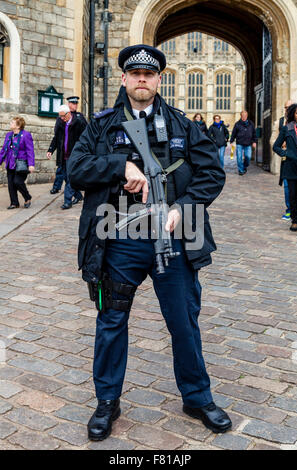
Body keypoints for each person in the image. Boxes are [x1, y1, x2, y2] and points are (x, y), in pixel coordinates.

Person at [68, 44, 231, 441]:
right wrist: (118, 165)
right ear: (124, 78)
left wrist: (185, 207)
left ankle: (196, 396)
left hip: (174, 236)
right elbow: (75, 168)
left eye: (150, 74)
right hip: (119, 236)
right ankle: (107, 401)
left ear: (159, 79)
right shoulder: (103, 125)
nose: (142, 80)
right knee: (111, 321)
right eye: (135, 74)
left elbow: (211, 172)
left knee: (183, 322)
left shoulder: (181, 123)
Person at [47, 104, 86, 209]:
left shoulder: (79, 122)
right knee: (65, 176)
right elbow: (56, 138)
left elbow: (85, 138)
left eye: (63, 116)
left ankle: (67, 201)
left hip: (74, 155)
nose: (62, 118)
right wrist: (50, 150)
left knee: (70, 178)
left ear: (69, 113)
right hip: (62, 155)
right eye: (60, 116)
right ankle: (78, 195)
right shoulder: (60, 122)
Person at [273, 103, 297, 232]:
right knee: (293, 196)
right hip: (291, 168)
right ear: (293, 114)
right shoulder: (287, 128)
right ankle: (294, 220)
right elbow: (276, 146)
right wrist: (286, 154)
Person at [0, 116, 35, 209]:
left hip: (21, 164)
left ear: (18, 126)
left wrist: (31, 164)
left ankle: (27, 197)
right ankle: (14, 203)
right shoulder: (9, 135)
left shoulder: (26, 135)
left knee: (18, 182)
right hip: (10, 163)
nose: (10, 123)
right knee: (11, 184)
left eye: (12, 122)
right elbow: (4, 150)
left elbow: (30, 150)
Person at [278, 100, 294, 221]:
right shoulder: (281, 121)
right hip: (287, 159)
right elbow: (275, 141)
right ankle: (289, 210)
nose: (287, 109)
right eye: (285, 107)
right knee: (287, 186)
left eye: (289, 107)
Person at [230, 111, 257, 175]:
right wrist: (231, 141)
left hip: (248, 143)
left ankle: (244, 166)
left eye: (245, 115)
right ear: (241, 116)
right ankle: (241, 170)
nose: (244, 117)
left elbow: (254, 133)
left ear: (247, 116)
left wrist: (254, 141)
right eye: (243, 115)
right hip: (239, 143)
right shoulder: (237, 124)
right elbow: (234, 133)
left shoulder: (251, 124)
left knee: (248, 157)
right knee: (239, 157)